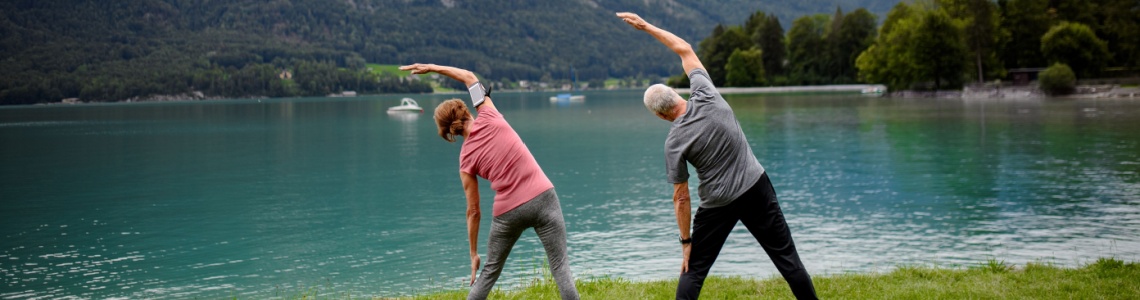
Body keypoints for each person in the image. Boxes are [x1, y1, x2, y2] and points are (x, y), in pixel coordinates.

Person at [616, 12, 819, 300]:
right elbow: (684, 49)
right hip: (754, 186)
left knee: (693, 269)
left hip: (717, 204)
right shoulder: (706, 92)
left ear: (661, 116)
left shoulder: (674, 142)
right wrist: (646, 26)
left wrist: (686, 242)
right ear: (676, 93)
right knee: (787, 259)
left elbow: (681, 197)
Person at [399, 63, 580, 300]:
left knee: (489, 272)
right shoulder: (489, 112)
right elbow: (467, 76)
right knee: (559, 266)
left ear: (448, 132)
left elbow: (473, 211)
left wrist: (473, 253)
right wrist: (433, 68)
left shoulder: (465, 160)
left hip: (508, 212)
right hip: (543, 197)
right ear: (465, 109)